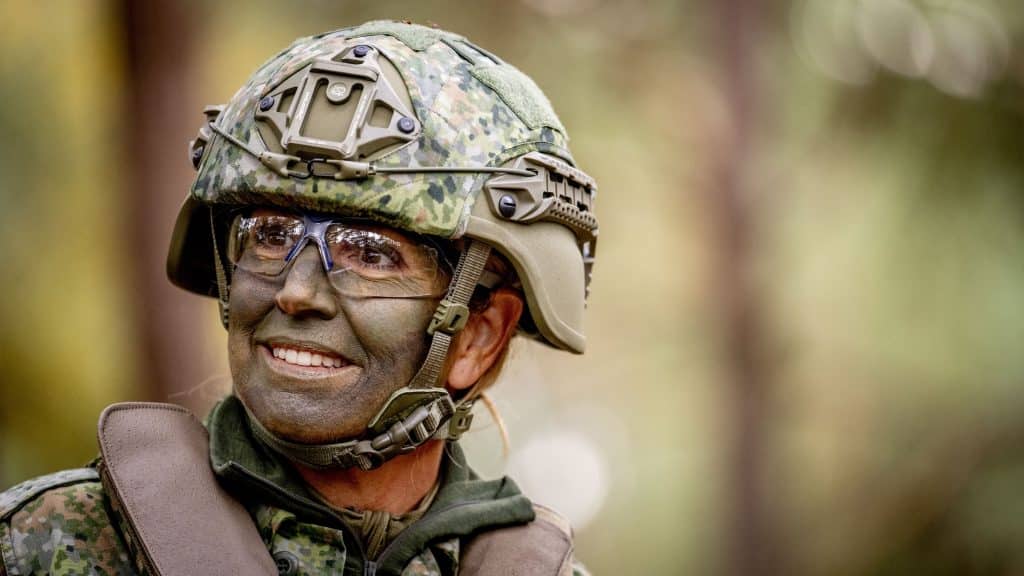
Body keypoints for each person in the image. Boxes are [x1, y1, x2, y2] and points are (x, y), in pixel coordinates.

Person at [0, 20, 598, 576]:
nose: (295, 292)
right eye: (269, 236)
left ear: (478, 334)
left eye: (370, 253)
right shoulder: (46, 545)